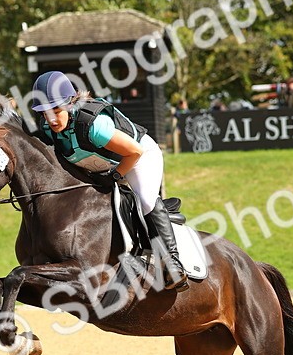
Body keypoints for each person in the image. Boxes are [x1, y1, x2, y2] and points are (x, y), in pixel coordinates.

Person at [31, 70, 186, 289]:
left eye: (56, 110)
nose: (52, 119)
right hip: (102, 166)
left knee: (145, 200)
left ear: (70, 103)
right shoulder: (49, 129)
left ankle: (172, 262)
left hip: (137, 157)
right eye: (45, 112)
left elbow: (135, 152)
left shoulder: (94, 125)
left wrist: (115, 176)